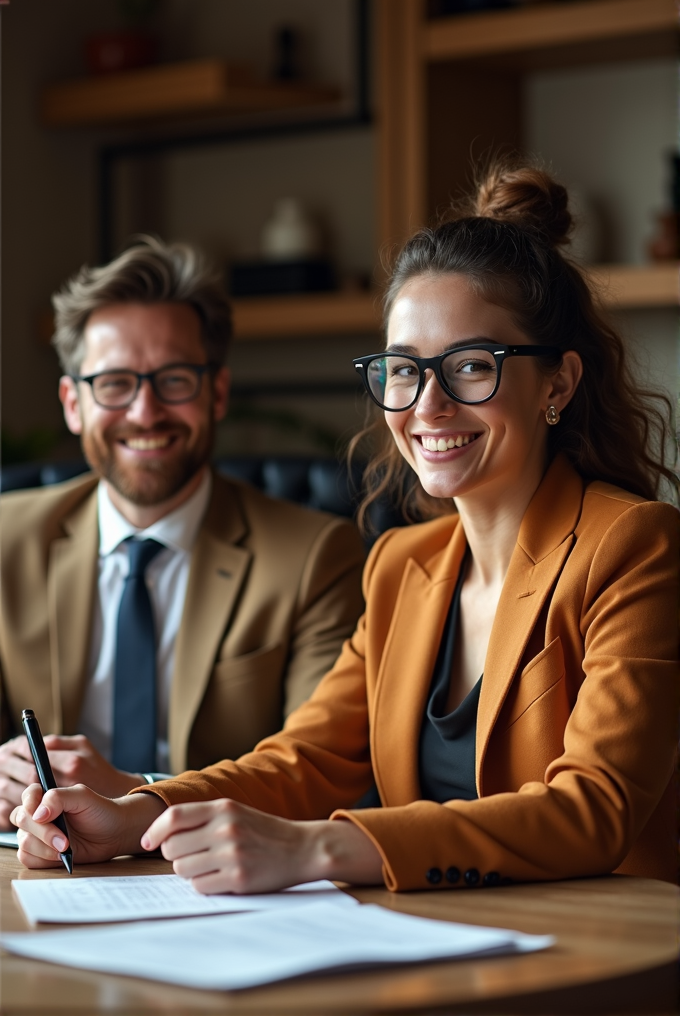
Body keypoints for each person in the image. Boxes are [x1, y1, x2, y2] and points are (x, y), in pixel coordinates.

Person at [12, 165, 679, 892]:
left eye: (471, 366)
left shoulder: (635, 545)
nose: (427, 406)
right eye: (403, 370)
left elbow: (594, 810)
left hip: (602, 956)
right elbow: (305, 761)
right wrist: (136, 813)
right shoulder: (402, 562)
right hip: (436, 948)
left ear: (558, 383)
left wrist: (320, 849)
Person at [0, 237, 365, 831]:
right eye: (115, 383)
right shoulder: (4, 541)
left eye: (174, 380)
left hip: (219, 875)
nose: (145, 412)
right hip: (34, 867)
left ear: (216, 392)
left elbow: (317, 774)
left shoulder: (314, 557)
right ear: (73, 403)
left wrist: (137, 795)